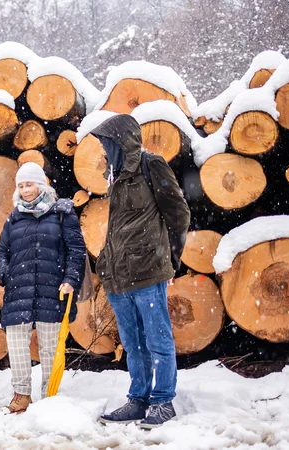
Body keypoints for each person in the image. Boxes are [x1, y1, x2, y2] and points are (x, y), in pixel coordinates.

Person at [91, 115, 190, 429]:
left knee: (158, 338)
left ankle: (163, 401)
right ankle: (138, 399)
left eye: (108, 141)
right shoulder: (114, 174)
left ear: (123, 140)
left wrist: (171, 261)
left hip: (148, 271)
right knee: (131, 343)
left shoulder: (151, 165)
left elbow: (179, 213)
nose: (104, 148)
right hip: (117, 275)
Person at [0, 163, 87, 414]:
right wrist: (5, 274)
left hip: (52, 289)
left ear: (41, 184)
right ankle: (22, 394)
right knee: (15, 343)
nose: (25, 190)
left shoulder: (62, 213)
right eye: (21, 186)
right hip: (18, 289)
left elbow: (76, 250)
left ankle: (50, 395)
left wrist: (70, 279)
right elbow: (2, 250)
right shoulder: (14, 217)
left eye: (30, 184)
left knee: (49, 347)